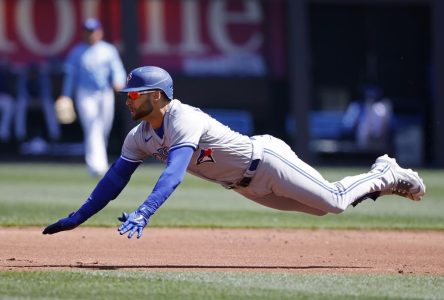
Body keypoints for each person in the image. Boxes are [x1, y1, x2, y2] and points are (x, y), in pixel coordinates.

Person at [43, 66, 426, 239]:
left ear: (157, 96)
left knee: (335, 201)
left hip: (268, 162)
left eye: (134, 96)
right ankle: (381, 184)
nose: (128, 102)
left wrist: (145, 212)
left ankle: (384, 170)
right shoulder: (138, 136)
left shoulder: (183, 119)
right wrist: (78, 217)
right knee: (322, 208)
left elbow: (174, 173)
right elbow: (114, 180)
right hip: (245, 186)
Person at [56, 18, 126, 177]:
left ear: (99, 32)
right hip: (85, 93)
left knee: (104, 127)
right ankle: (97, 166)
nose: (90, 34)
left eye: (93, 31)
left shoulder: (108, 50)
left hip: (105, 92)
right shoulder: (77, 51)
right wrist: (65, 95)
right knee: (92, 125)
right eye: (87, 31)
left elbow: (117, 69)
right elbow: (70, 76)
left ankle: (99, 161)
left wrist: (118, 82)